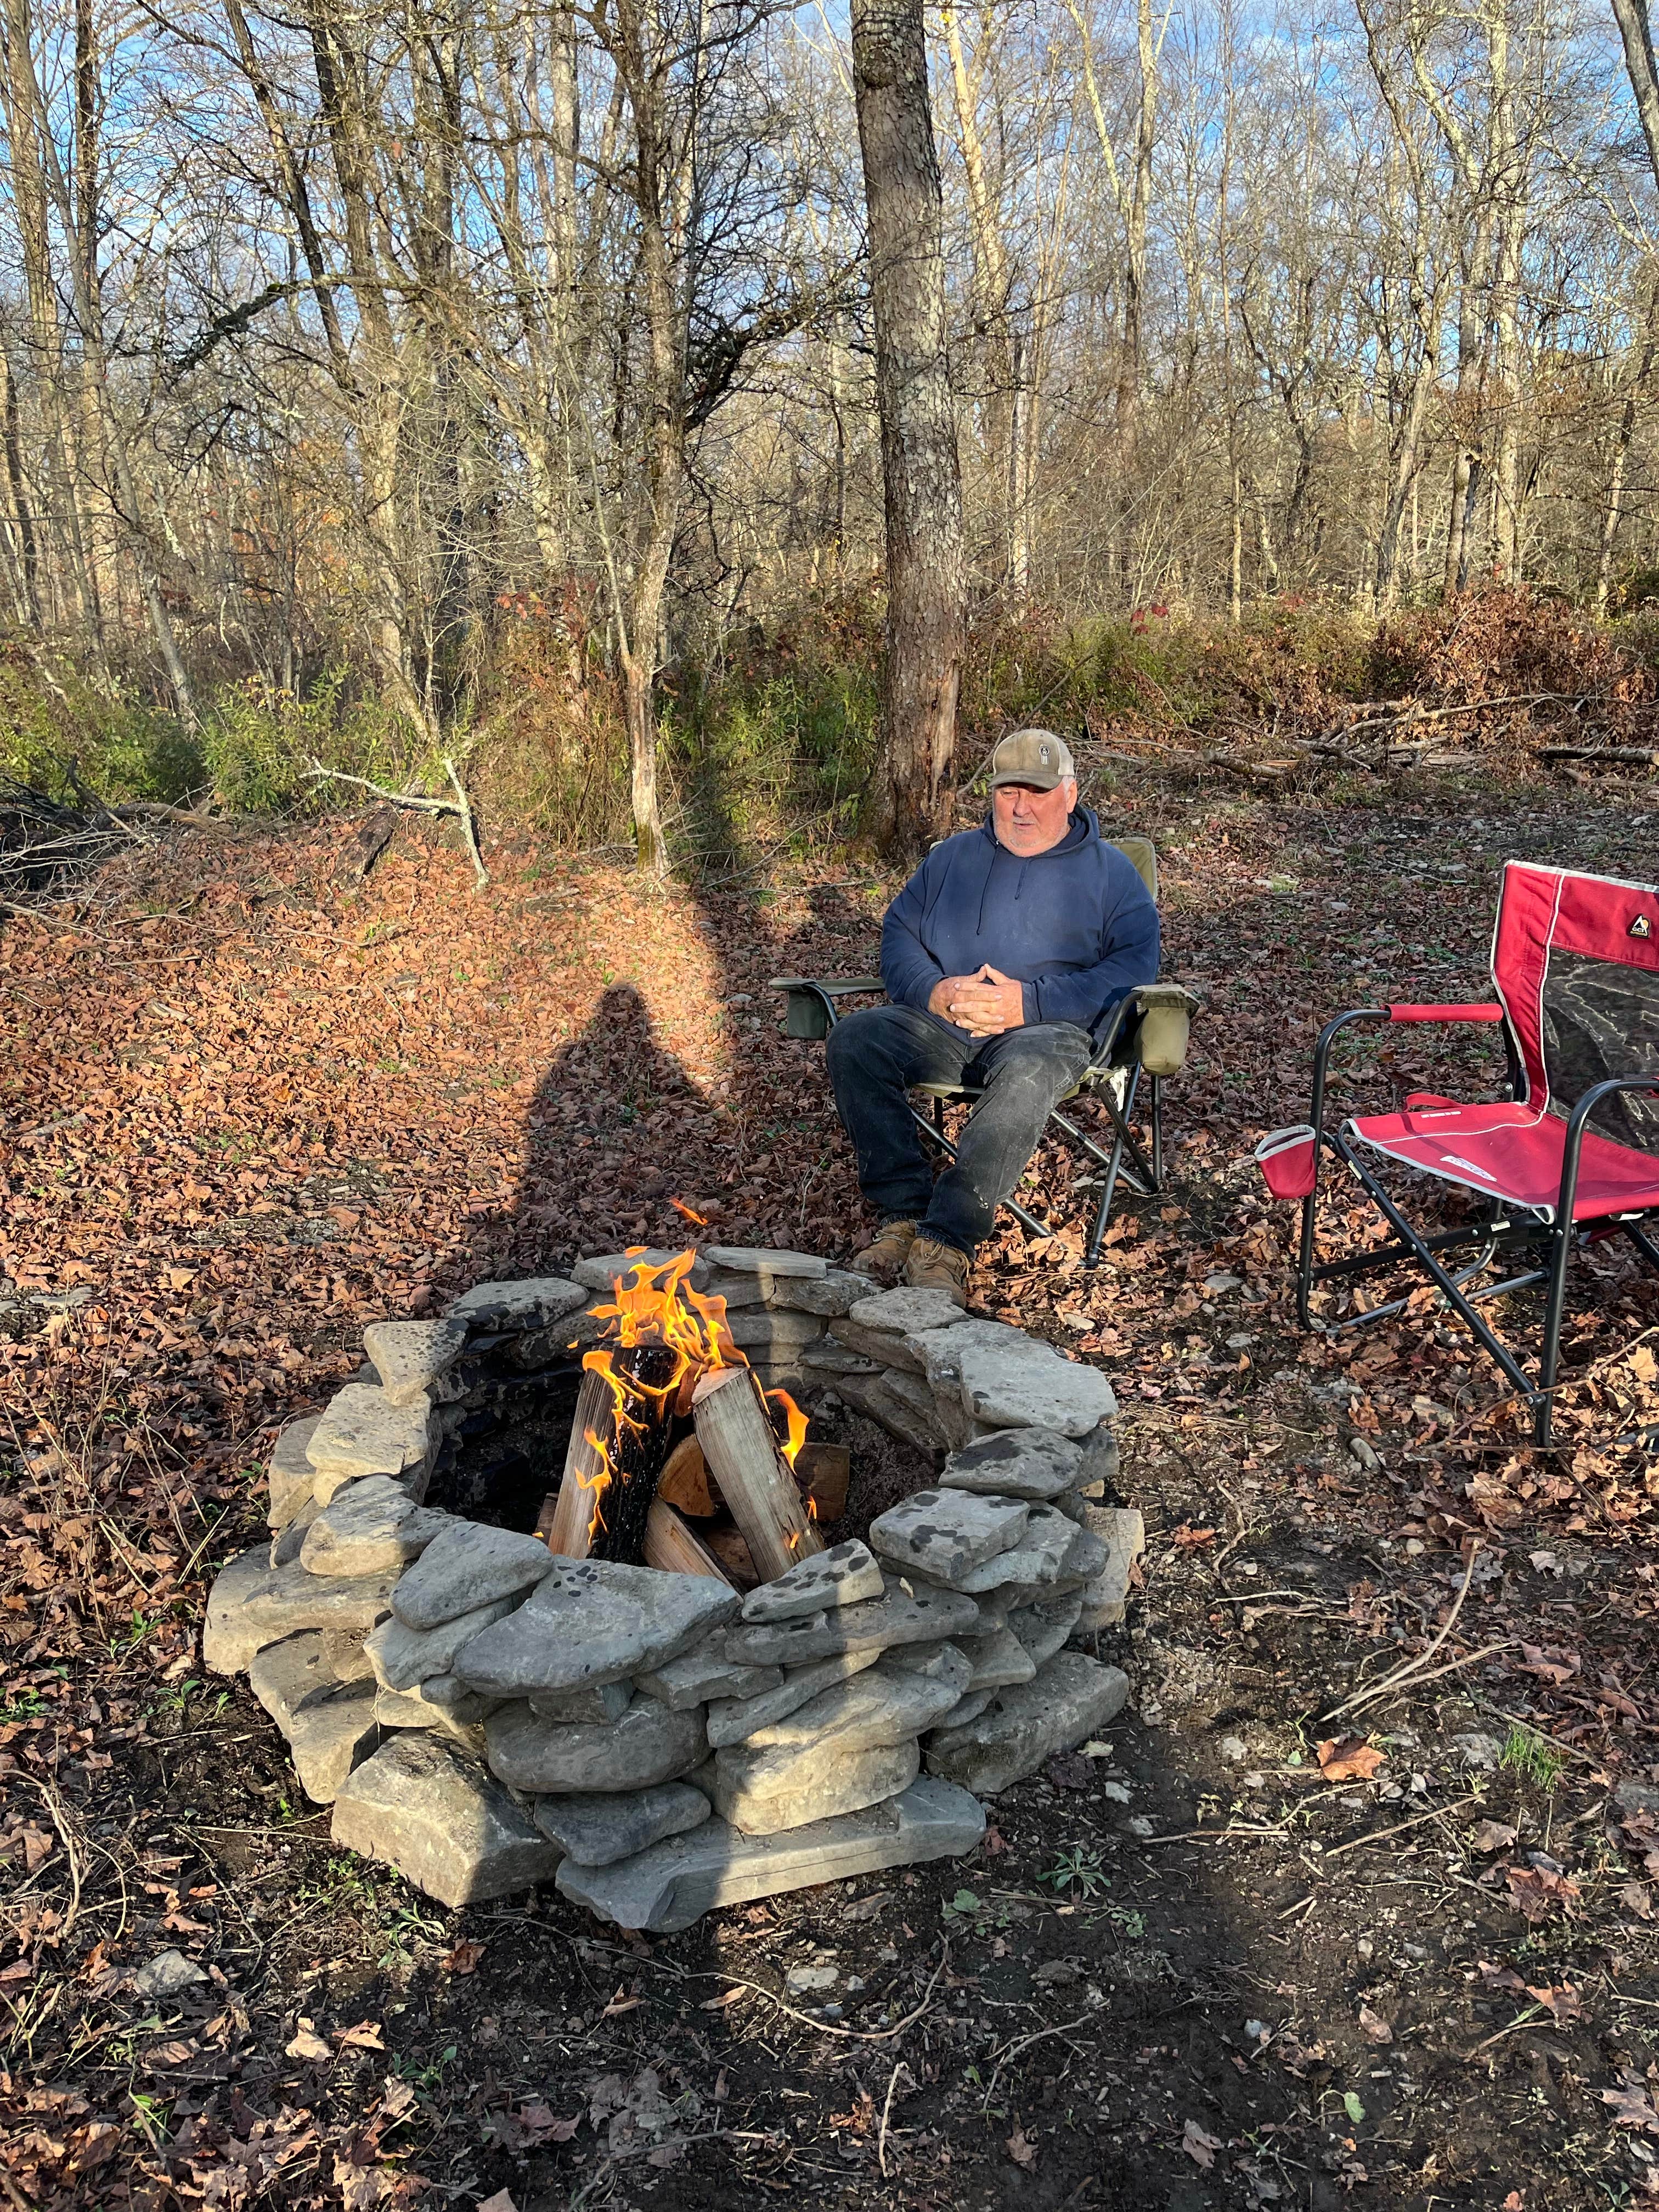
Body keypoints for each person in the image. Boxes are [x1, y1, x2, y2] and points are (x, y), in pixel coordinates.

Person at [827, 729, 1160, 1304]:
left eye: (1037, 790)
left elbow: (1133, 967)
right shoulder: (953, 858)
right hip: (947, 1025)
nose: (1022, 807)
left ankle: (947, 1239)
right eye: (1009, 792)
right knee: (856, 1039)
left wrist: (1029, 1002)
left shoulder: (1111, 874)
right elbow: (900, 931)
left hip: (1048, 1031)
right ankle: (902, 1217)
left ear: (1070, 793)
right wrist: (932, 991)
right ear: (993, 793)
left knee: (1030, 1070)